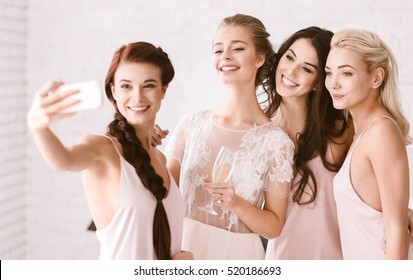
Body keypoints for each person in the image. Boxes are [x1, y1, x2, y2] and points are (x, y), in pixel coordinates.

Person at [27, 42, 191, 260]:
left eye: (149, 85)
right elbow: (63, 160)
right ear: (113, 91)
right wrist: (38, 127)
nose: (137, 96)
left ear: (163, 90)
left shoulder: (160, 158)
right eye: (126, 86)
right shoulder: (102, 149)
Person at [164, 14, 295, 260]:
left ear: (259, 58)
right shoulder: (191, 125)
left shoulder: (276, 143)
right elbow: (163, 192)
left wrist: (236, 204)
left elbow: (274, 226)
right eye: (218, 50)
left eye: (237, 48)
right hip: (183, 248)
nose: (225, 56)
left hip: (236, 255)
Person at [263, 27, 352, 260]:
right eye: (290, 57)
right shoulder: (257, 131)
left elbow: (369, 188)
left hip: (340, 259)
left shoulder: (339, 131)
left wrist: (400, 211)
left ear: (317, 82)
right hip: (282, 259)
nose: (291, 72)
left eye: (306, 68)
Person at [325, 28, 412, 259]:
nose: (333, 84)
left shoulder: (381, 132)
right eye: (329, 73)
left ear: (376, 78)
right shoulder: (360, 133)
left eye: (346, 74)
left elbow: (397, 230)